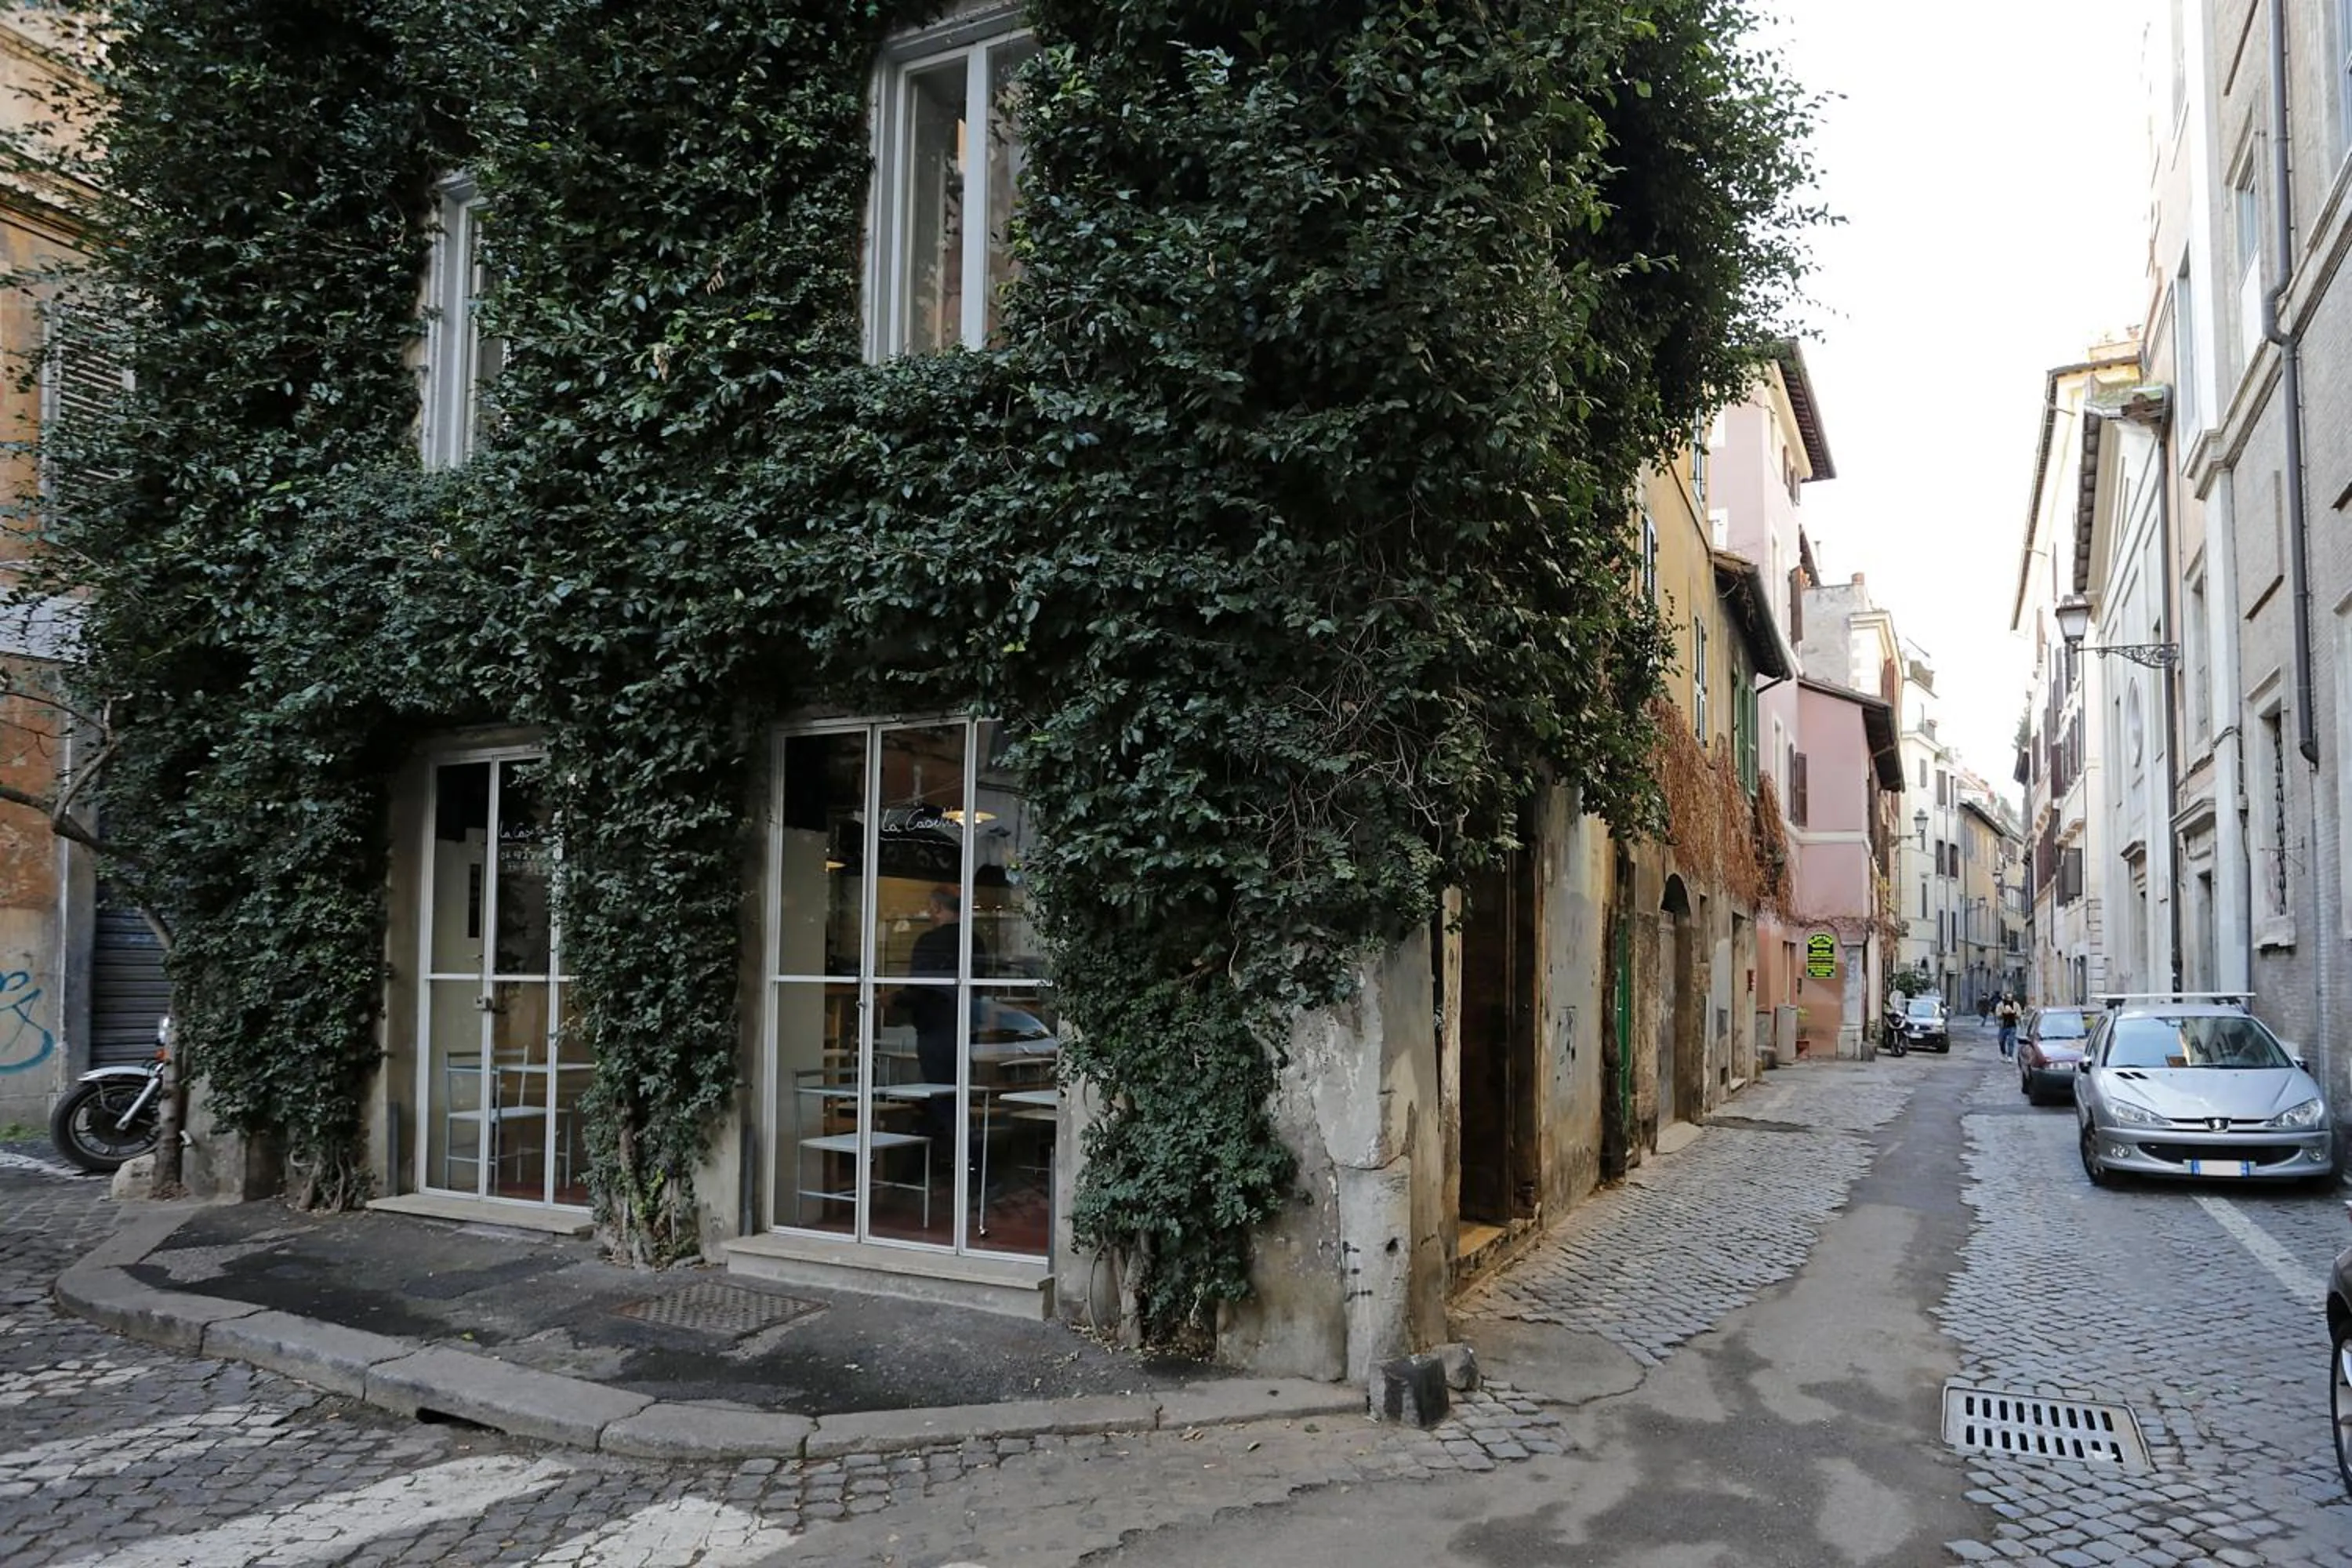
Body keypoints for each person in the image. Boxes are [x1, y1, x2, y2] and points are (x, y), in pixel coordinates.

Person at [1996, 993, 2021, 1058]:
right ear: (2005, 998)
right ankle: (2004, 1053)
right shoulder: (2000, 1005)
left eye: (2011, 997)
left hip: (2012, 1025)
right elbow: (1997, 1014)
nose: (2010, 999)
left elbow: (2019, 1014)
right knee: (2001, 1041)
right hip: (2003, 1026)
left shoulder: (2016, 1005)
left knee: (2011, 1041)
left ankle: (2010, 1056)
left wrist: (2013, 1013)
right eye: (2008, 997)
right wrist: (2004, 1013)